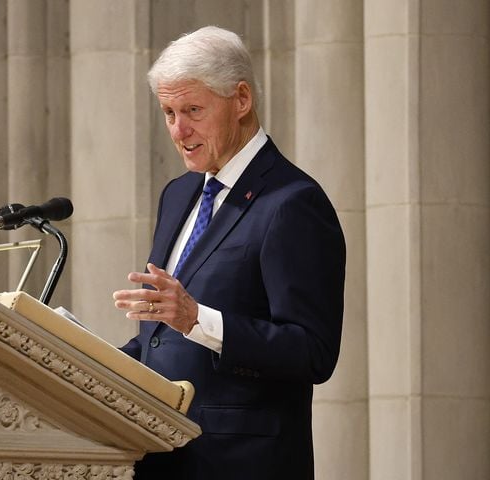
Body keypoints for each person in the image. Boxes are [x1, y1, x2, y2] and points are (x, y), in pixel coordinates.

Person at [112, 25, 345, 480]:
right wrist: (76, 358)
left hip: (242, 464)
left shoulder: (293, 202)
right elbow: (161, 339)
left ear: (241, 100)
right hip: (161, 459)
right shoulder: (177, 195)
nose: (179, 131)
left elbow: (313, 352)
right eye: (168, 113)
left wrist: (198, 318)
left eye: (193, 110)